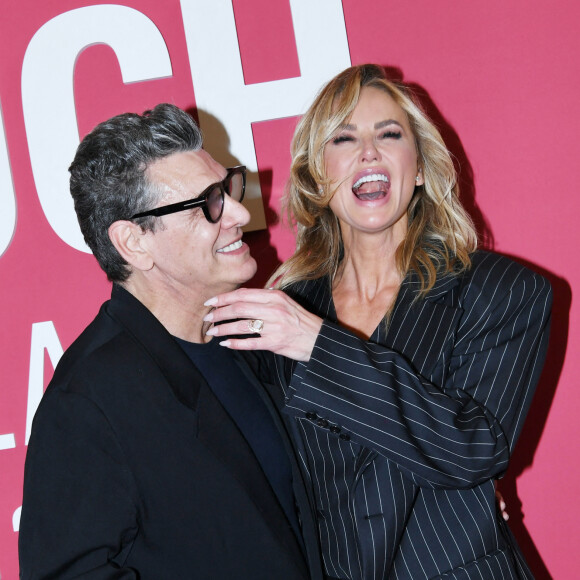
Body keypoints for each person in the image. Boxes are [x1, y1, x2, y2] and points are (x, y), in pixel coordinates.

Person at [202, 65, 553, 579]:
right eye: (344, 138)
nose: (369, 151)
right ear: (318, 176)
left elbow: (472, 449)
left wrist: (317, 346)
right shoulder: (284, 312)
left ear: (419, 169)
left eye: (389, 134)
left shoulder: (502, 291)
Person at [18, 104, 323, 579]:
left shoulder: (248, 338)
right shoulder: (87, 402)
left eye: (229, 188)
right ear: (134, 243)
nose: (241, 212)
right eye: (209, 204)